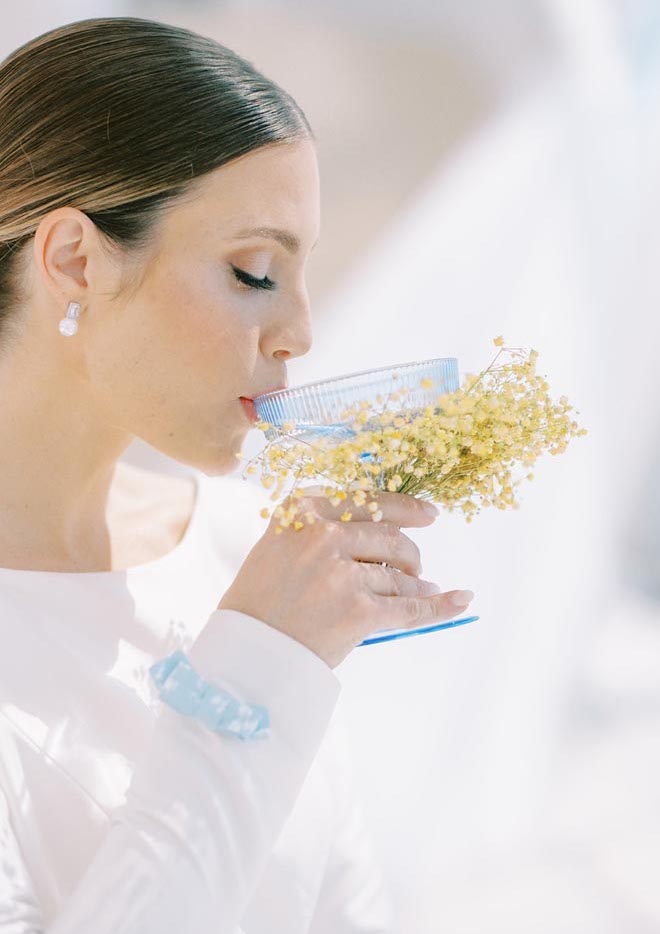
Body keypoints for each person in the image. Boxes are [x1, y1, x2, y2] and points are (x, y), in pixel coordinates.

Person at [0, 16, 475, 933]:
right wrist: (256, 671)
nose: (300, 331)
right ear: (74, 261)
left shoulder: (239, 551)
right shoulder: (266, 613)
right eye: (255, 272)